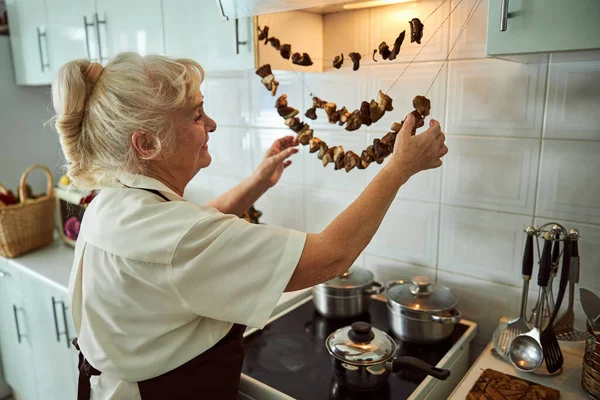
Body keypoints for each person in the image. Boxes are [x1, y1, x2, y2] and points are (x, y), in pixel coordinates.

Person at [51, 52, 447, 400]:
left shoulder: (113, 201)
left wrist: (258, 180)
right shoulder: (176, 237)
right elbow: (332, 256)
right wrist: (400, 168)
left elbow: (190, 234)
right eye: (196, 114)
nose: (212, 124)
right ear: (146, 144)